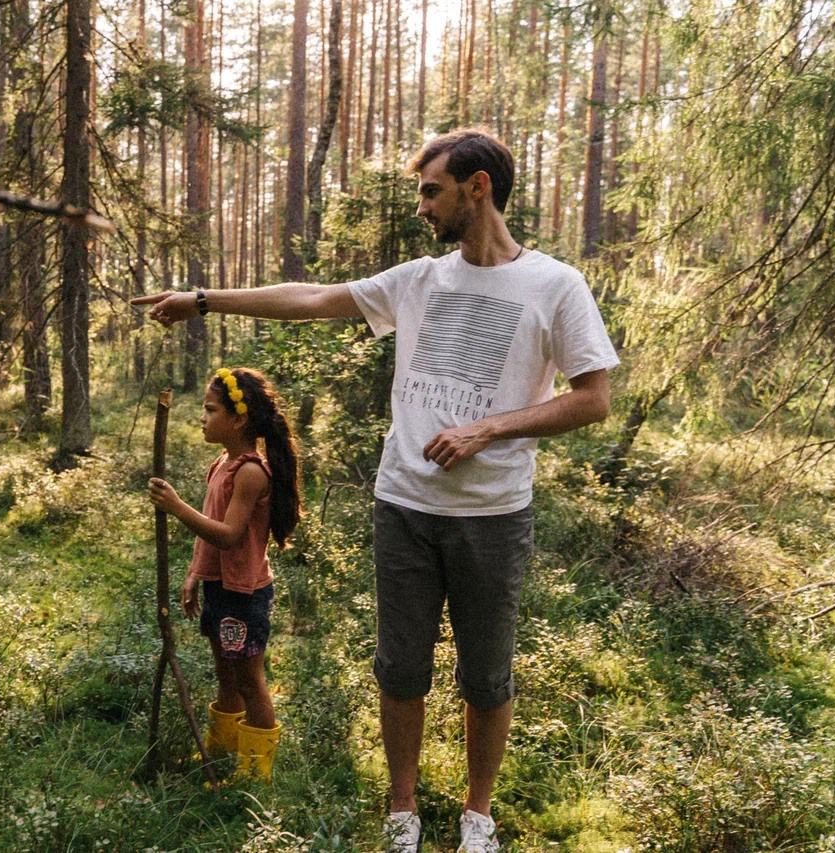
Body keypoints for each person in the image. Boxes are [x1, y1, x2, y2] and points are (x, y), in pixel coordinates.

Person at [133, 128, 618, 852]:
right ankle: (403, 811)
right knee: (400, 667)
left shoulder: (554, 285)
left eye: (431, 190)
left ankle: (476, 816)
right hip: (403, 510)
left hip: (492, 517)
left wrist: (490, 429)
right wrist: (205, 298)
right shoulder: (418, 280)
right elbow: (311, 297)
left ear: (476, 187)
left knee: (486, 676)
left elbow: (593, 397)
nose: (421, 206)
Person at [147, 367, 302, 783]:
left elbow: (231, 536)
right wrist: (195, 574)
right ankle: (221, 751)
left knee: (248, 678)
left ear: (238, 420)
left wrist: (177, 508)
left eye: (210, 409)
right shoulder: (222, 463)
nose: (202, 417)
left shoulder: (249, 472)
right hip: (220, 589)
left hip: (243, 594)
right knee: (225, 672)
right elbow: (211, 531)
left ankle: (255, 772)